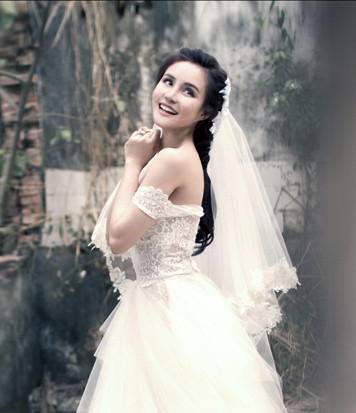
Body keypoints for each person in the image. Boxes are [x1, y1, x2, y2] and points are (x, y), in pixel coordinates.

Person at [77, 48, 299, 412]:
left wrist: (132, 162)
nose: (170, 94)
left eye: (188, 91)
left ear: (205, 112)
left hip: (166, 309)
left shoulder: (172, 160)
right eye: (168, 81)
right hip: (169, 300)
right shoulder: (176, 156)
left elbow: (118, 239)